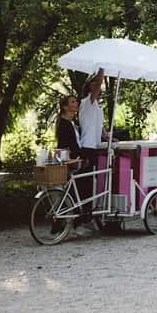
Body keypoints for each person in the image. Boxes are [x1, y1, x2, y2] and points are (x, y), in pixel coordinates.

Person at [56, 94, 94, 236]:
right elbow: (71, 145)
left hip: (73, 160)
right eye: (72, 102)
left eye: (76, 101)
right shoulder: (65, 124)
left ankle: (61, 224)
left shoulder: (70, 123)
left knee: (73, 191)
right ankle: (76, 223)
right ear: (65, 107)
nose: (76, 103)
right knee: (80, 189)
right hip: (71, 161)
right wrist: (83, 157)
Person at [78, 68, 107, 179]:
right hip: (87, 145)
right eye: (93, 83)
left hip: (94, 146)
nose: (96, 85)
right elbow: (99, 83)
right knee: (87, 179)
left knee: (92, 178)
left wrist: (106, 136)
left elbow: (98, 124)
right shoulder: (87, 101)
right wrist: (102, 67)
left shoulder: (96, 105)